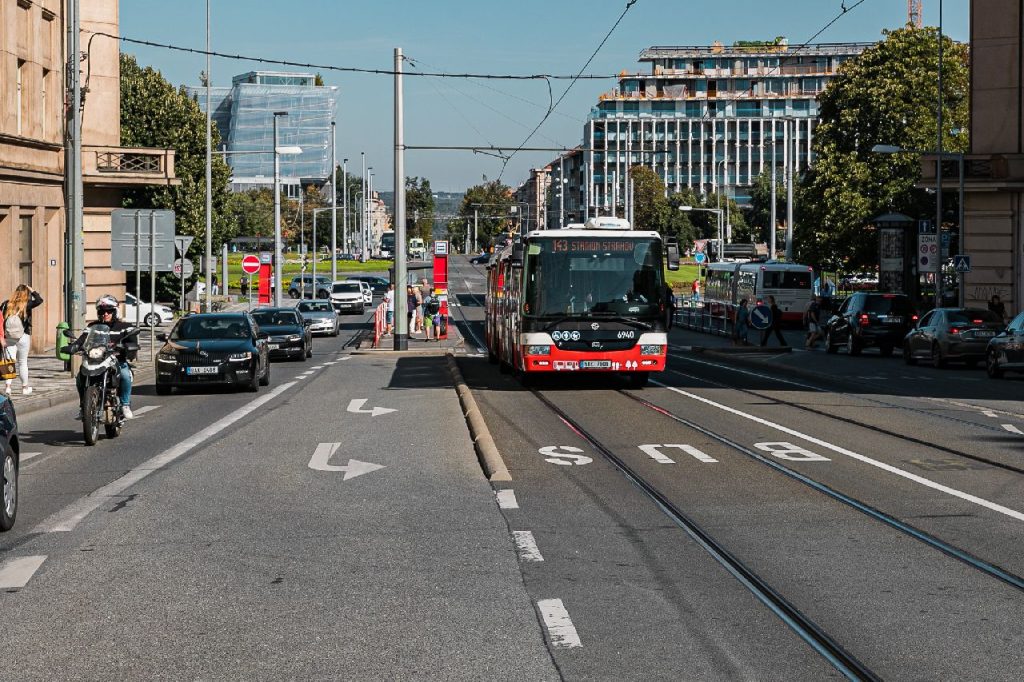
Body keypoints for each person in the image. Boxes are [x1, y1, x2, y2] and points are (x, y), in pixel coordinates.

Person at [69, 295, 136, 420]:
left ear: (115, 311)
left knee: (126, 376)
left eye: (109, 311)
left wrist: (128, 346)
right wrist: (74, 346)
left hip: (117, 360)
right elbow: (82, 339)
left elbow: (132, 340)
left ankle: (125, 404)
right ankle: (84, 406)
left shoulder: (125, 326)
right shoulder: (92, 326)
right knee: (80, 378)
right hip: (96, 360)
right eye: (102, 311)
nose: (105, 314)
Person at [1, 284, 43, 396]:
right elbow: (39, 300)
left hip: (9, 337)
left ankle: (8, 388)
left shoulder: (6, 304)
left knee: (10, 361)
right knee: (23, 362)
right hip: (23, 336)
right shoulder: (26, 304)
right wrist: (31, 289)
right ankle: (25, 387)